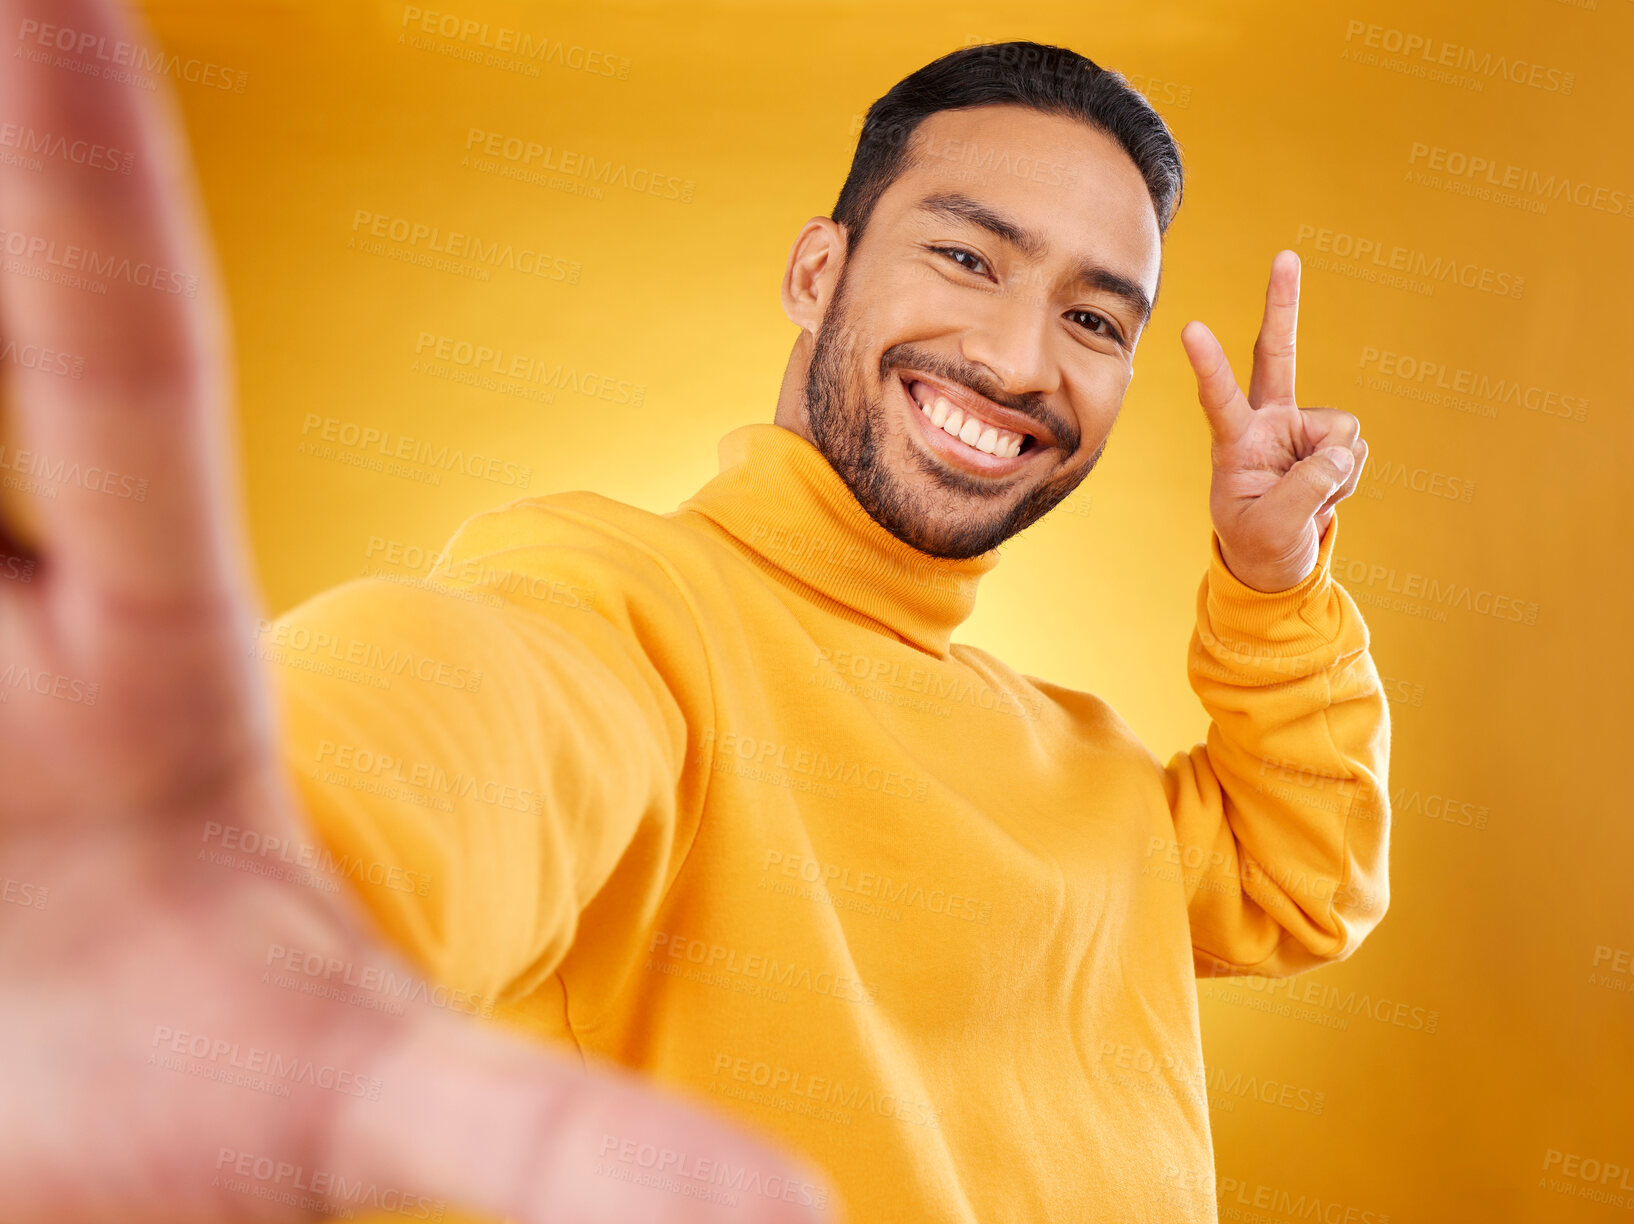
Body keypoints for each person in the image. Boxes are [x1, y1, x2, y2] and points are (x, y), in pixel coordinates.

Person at [0, 1, 1388, 1219]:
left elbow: (1296, 880)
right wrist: (258, 879)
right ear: (814, 273)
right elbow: (482, 705)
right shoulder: (626, 610)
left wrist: (1274, 586)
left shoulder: (1091, 773)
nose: (1019, 357)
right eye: (966, 258)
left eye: (1095, 320)